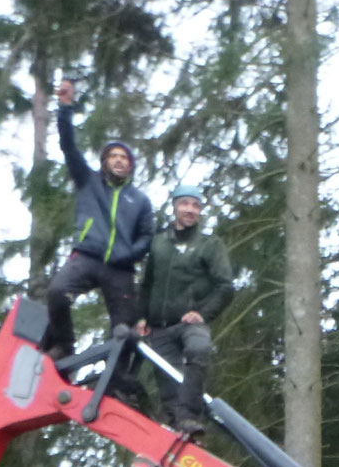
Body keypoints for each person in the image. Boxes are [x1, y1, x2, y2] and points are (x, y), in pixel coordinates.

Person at [41, 78, 153, 359]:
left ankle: (116, 385)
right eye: (113, 156)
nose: (119, 161)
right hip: (87, 256)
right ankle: (64, 344)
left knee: (124, 332)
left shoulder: (139, 200)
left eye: (124, 158)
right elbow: (68, 146)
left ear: (130, 166)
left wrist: (128, 255)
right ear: (105, 162)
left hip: (120, 269)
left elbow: (147, 236)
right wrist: (65, 107)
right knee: (57, 293)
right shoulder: (88, 181)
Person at [132, 184, 234, 434]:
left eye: (196, 205)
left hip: (190, 323)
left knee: (199, 349)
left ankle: (190, 413)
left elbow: (225, 287)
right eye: (185, 204)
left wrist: (203, 313)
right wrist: (141, 316)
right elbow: (147, 284)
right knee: (168, 384)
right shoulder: (158, 243)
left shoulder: (210, 244)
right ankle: (178, 428)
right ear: (175, 206)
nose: (190, 210)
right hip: (158, 328)